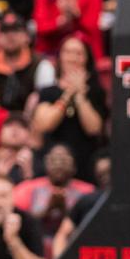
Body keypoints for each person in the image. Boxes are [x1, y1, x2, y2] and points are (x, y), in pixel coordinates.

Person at [30, 36, 107, 183]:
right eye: (68, 52)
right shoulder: (48, 92)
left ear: (87, 59)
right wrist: (68, 94)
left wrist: (79, 97)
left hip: (86, 160)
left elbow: (94, 128)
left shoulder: (96, 92)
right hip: (52, 160)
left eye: (78, 53)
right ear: (60, 57)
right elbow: (45, 124)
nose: (73, 58)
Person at [12, 143, 94, 240]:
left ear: (74, 166)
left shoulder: (88, 191)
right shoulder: (27, 188)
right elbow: (21, 223)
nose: (58, 164)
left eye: (63, 160)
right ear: (45, 163)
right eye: (53, 160)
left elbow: (91, 226)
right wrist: (48, 209)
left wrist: (66, 211)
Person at [52, 149, 111, 257]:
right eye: (101, 175)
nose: (106, 178)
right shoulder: (87, 201)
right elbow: (62, 235)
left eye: (109, 172)